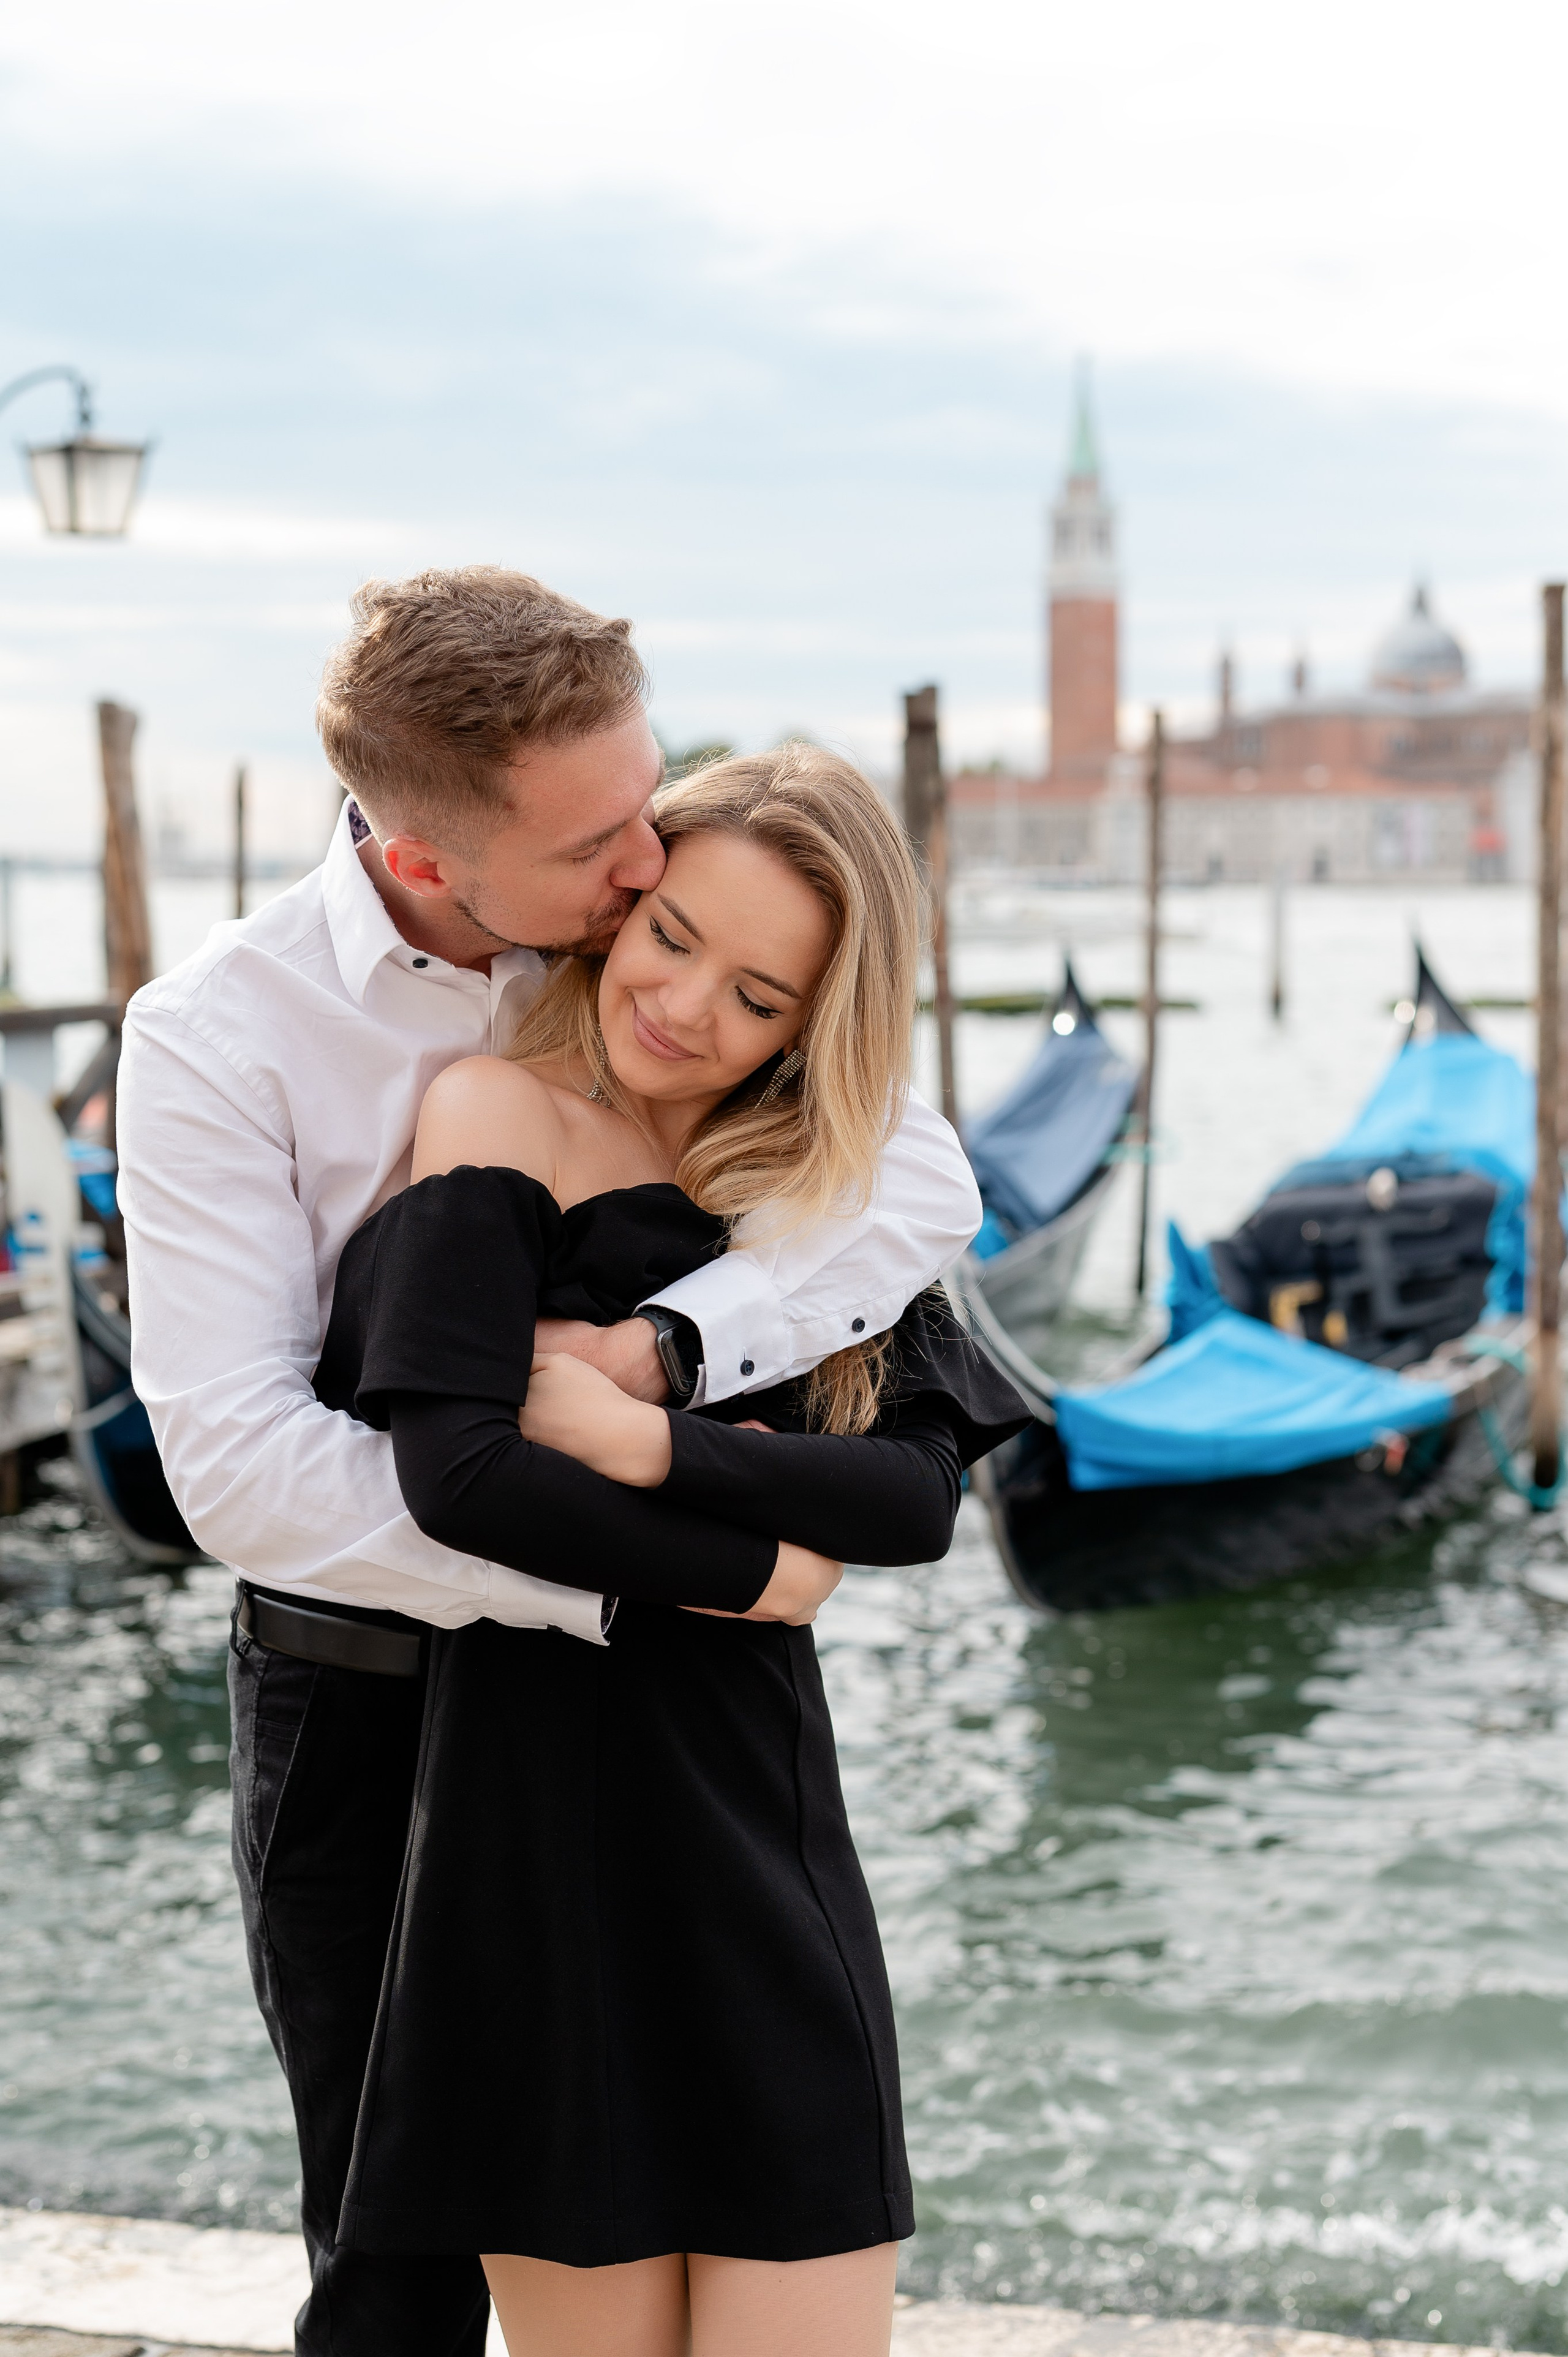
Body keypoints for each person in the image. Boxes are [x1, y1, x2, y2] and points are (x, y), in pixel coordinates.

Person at [114, 568, 984, 2357]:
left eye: (647, 799)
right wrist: (693, 1572)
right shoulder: (220, 1038)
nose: (647, 866)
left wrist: (666, 1366)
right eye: (603, 846)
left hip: (667, 1723)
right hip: (370, 1686)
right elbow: (247, 1470)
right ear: (434, 862)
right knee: (391, 2261)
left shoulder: (649, 943)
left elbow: (907, 1174)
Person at [315, 745, 1030, 2357]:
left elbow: (915, 1497)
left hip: (759, 1851)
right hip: (530, 1854)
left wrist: (648, 1439)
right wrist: (756, 1566)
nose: (691, 1007)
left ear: (816, 1027)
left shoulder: (828, 1205)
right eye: (674, 937)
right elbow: (459, 1473)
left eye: (762, 996)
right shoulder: (494, 1114)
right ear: (619, 906)